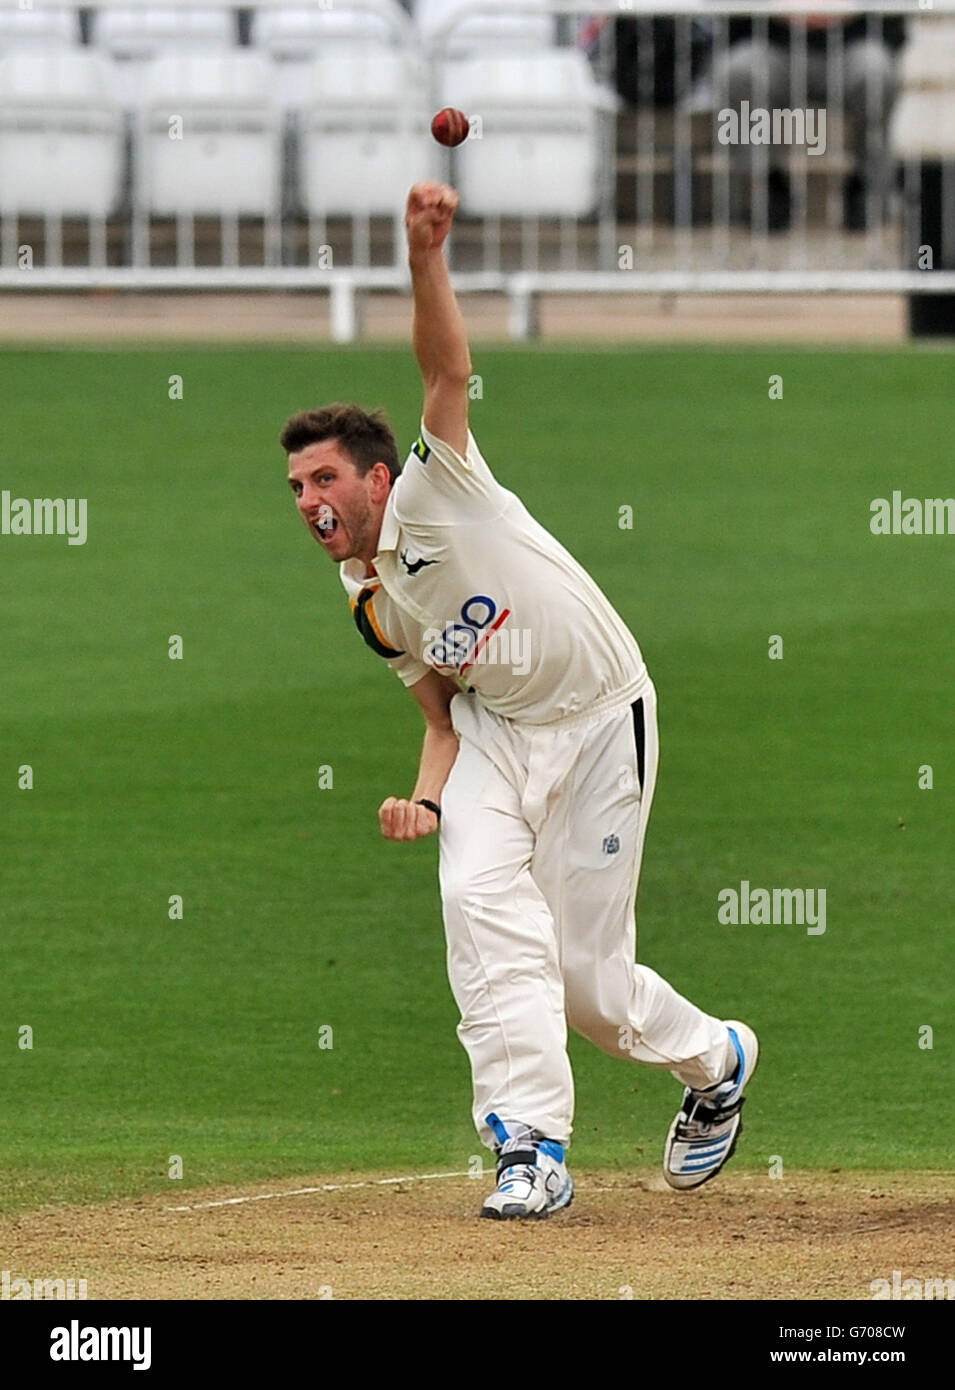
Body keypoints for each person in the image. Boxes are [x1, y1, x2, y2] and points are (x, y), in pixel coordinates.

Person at [281, 182, 758, 1219]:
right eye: (295, 490)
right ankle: (528, 1148)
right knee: (475, 903)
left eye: (323, 479)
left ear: (374, 478)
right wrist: (426, 801)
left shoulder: (437, 483)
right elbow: (441, 717)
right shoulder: (366, 598)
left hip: (599, 719)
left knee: (590, 991)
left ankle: (715, 1058)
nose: (310, 503)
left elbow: (445, 368)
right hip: (497, 734)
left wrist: (423, 256)